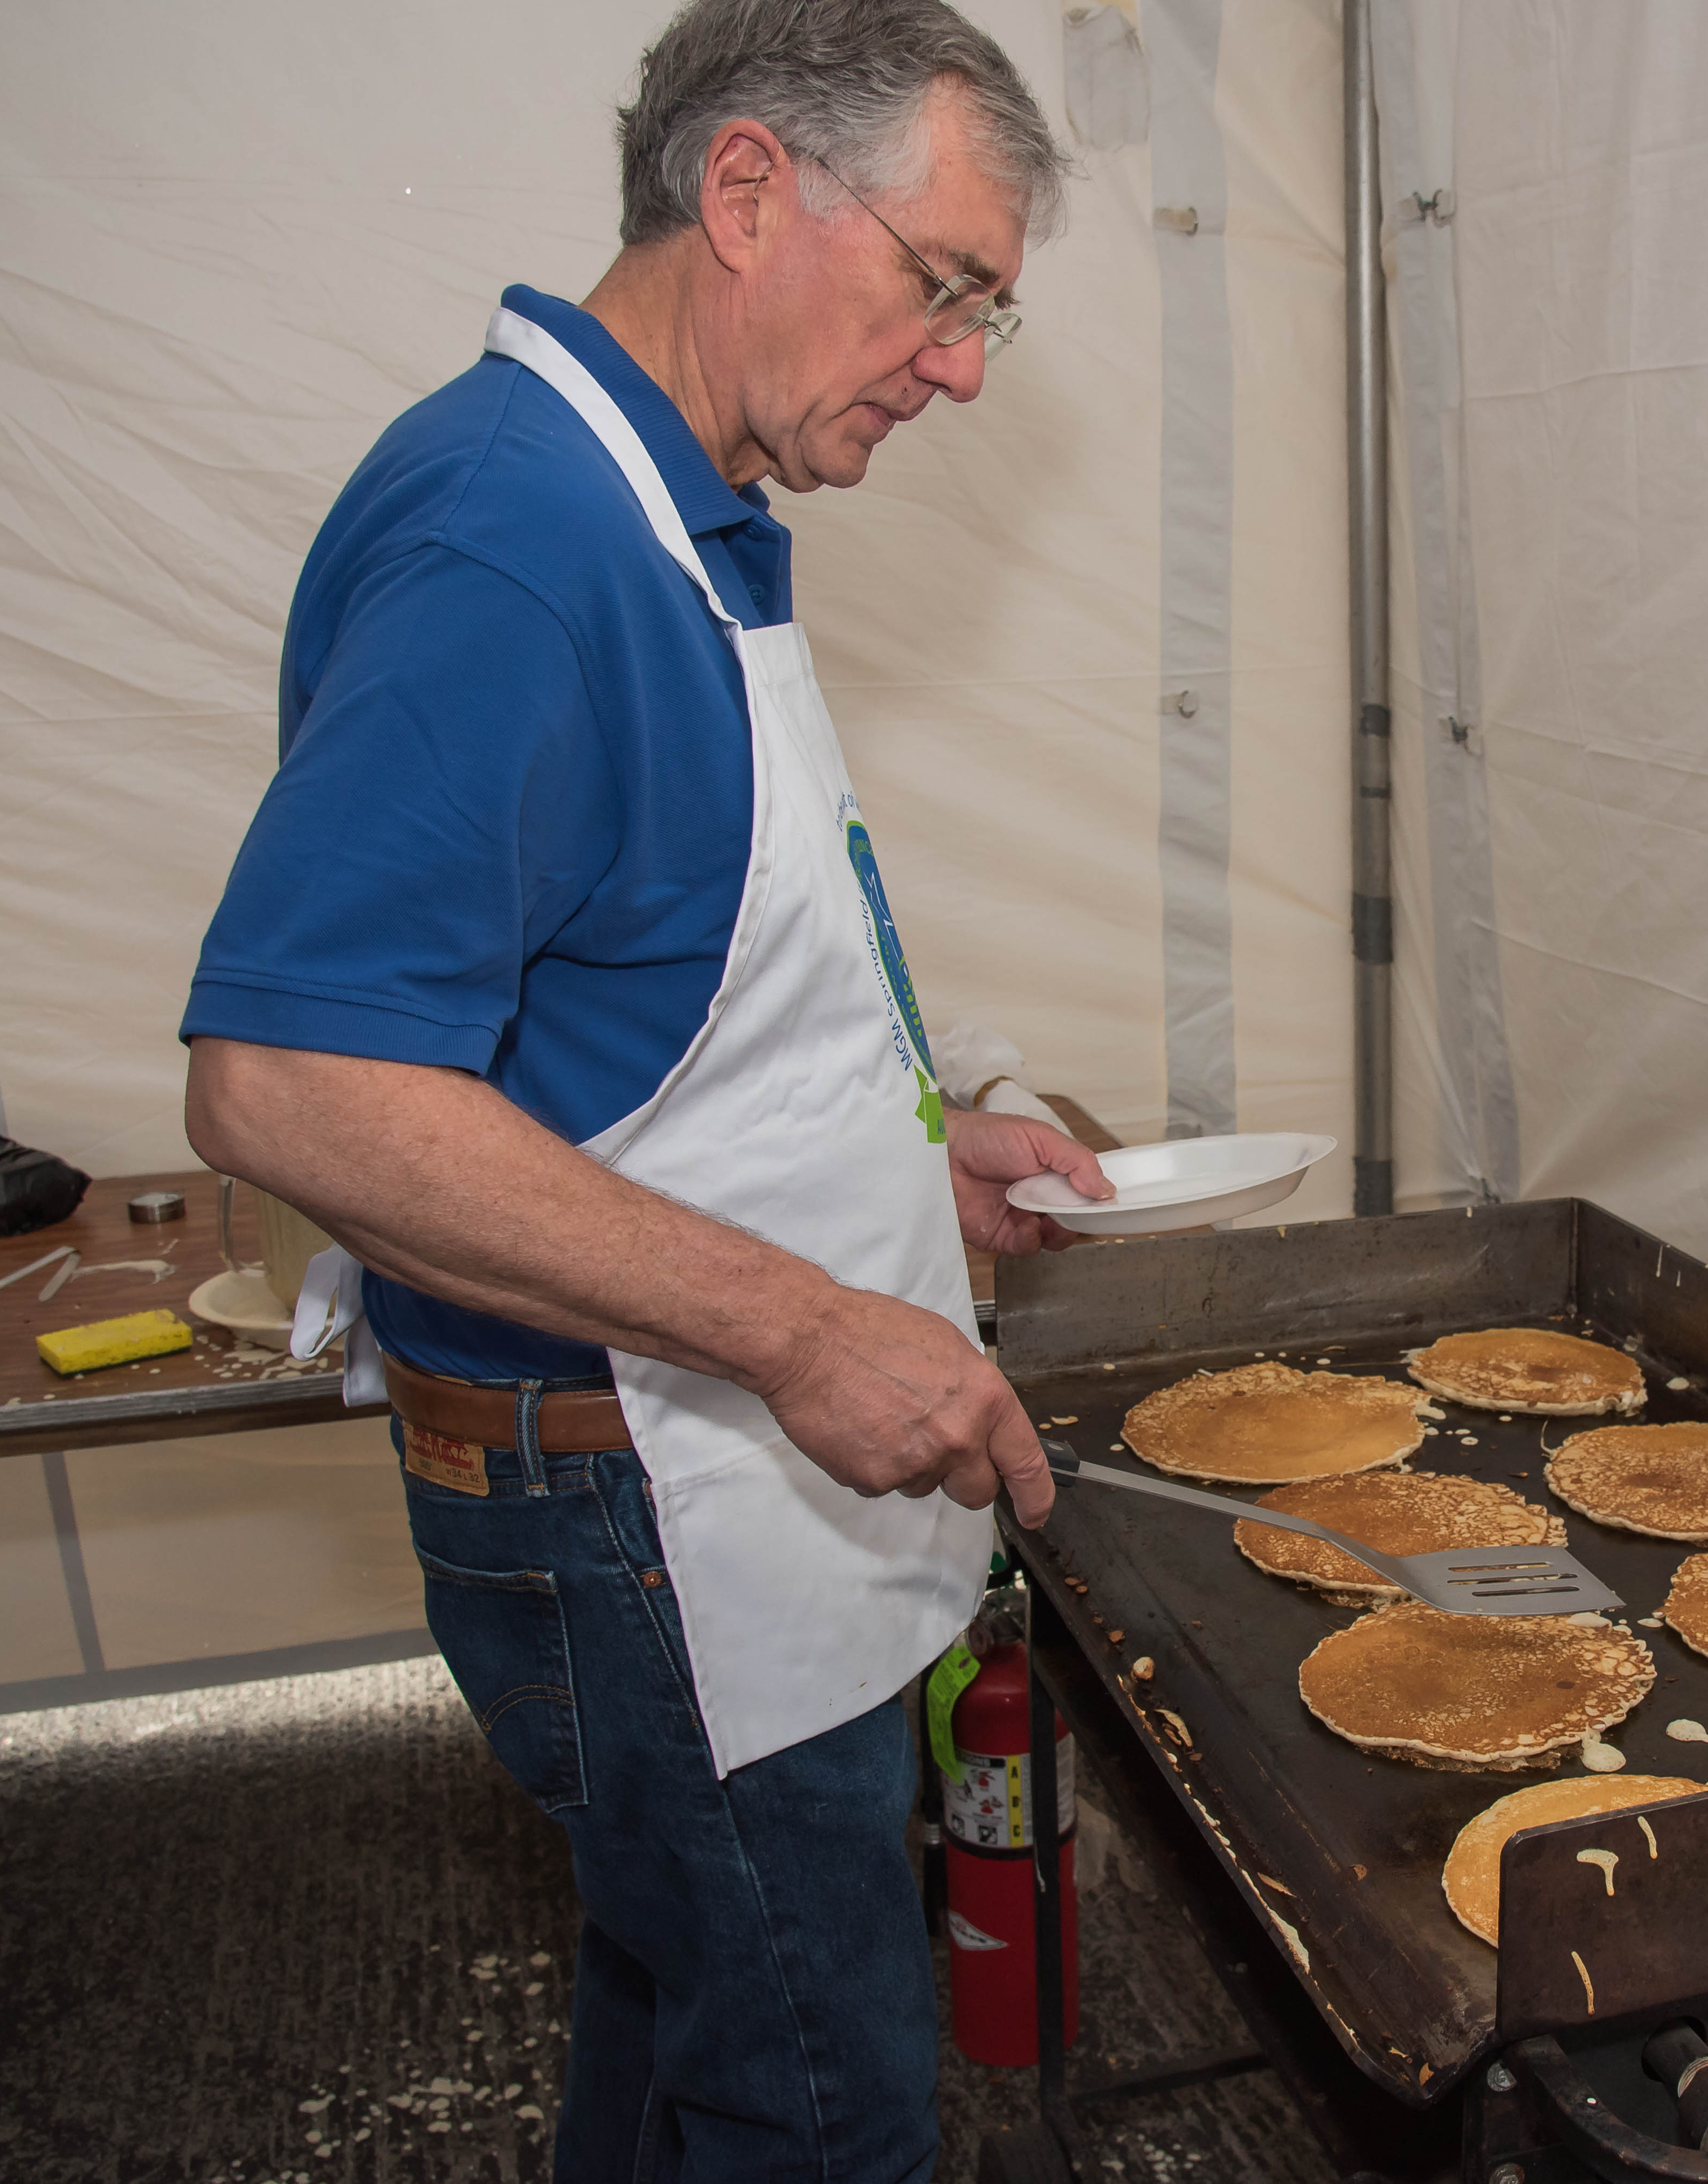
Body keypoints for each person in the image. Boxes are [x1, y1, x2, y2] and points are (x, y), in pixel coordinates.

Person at [179, 4, 1097, 2175]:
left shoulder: (674, 501)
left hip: (684, 1498)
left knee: (683, 2018)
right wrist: (800, 1315)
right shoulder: (522, 536)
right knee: (815, 2100)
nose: (963, 363)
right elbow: (294, 1077)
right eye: (943, 285)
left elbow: (632, 996)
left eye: (990, 309)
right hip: (643, 1511)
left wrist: (906, 1152)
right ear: (752, 189)